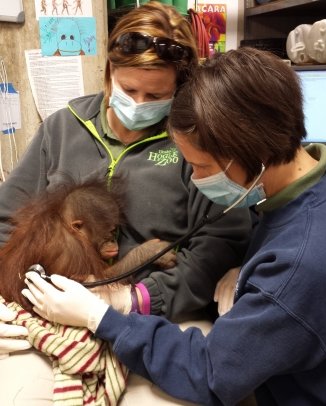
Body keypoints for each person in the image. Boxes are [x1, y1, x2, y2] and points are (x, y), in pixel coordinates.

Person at [23, 46, 326, 406]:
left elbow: (209, 373)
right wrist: (249, 271)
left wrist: (100, 317)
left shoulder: (301, 264)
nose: (194, 179)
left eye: (203, 167)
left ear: (254, 156)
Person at [0, 1, 252, 403]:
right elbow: (5, 222)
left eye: (155, 94)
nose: (137, 103)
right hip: (51, 310)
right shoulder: (64, 127)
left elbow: (218, 245)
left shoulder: (194, 141)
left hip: (164, 313)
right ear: (108, 75)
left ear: (181, 90)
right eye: (128, 88)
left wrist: (132, 298)